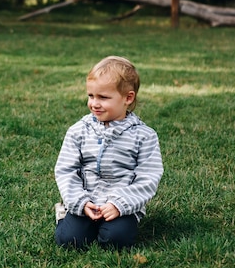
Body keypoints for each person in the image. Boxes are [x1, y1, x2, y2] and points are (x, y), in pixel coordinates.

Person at [54, 56, 163, 250]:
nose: (94, 103)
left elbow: (148, 177)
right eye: (91, 96)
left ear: (128, 98)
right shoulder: (78, 131)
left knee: (116, 241)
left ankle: (115, 225)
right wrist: (80, 201)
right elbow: (66, 170)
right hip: (85, 200)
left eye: (103, 98)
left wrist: (119, 204)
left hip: (121, 206)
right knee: (69, 241)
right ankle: (65, 214)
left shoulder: (145, 136)